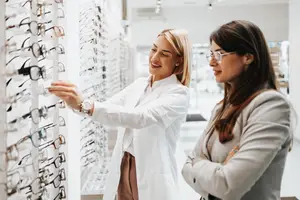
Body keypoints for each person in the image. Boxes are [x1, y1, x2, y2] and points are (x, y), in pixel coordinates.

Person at [48, 29, 191, 200]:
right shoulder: (139, 85)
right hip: (125, 164)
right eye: (154, 49)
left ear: (179, 60)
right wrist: (76, 103)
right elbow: (108, 108)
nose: (154, 58)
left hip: (151, 172)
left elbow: (140, 118)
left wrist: (85, 105)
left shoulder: (178, 94)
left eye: (164, 54)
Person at [181, 20, 295, 200]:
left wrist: (197, 165)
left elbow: (228, 185)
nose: (211, 62)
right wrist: (210, 170)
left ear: (248, 57)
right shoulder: (222, 107)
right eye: (211, 54)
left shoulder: (271, 105)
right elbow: (185, 167)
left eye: (219, 54)